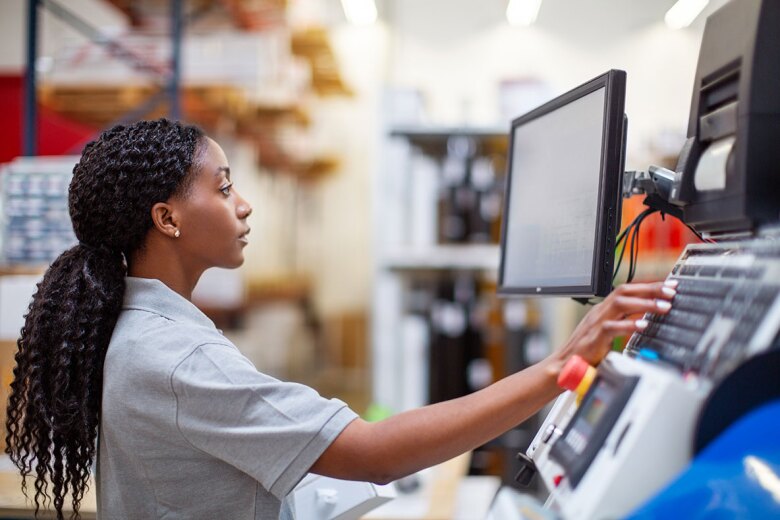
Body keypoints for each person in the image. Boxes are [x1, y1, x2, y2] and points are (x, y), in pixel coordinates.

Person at [5, 119, 676, 520]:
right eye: (225, 186)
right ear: (168, 218)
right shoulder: (173, 357)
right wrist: (564, 365)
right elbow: (370, 450)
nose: (243, 207)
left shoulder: (152, 332)